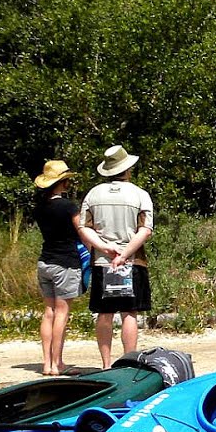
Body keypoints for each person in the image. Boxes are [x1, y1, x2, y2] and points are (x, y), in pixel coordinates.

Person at [80, 145, 153, 370]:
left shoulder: (93, 194)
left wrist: (104, 246)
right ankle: (129, 361)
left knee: (105, 313)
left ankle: (105, 364)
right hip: (132, 261)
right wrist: (125, 252)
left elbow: (84, 228)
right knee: (129, 313)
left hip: (103, 261)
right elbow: (146, 229)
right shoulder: (140, 194)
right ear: (127, 169)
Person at [32, 159, 84, 375]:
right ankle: (57, 363)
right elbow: (82, 231)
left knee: (49, 312)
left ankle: (46, 363)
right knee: (62, 313)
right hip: (65, 262)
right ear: (63, 183)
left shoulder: (39, 208)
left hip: (45, 261)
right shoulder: (69, 207)